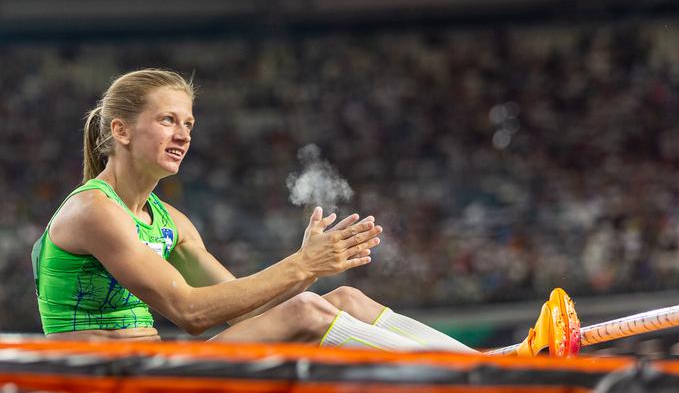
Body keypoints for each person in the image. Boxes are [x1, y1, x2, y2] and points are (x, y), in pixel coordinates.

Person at [31, 68, 481, 352]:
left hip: (154, 368)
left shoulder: (170, 222)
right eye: (168, 120)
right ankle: (479, 382)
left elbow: (242, 309)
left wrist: (309, 271)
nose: (184, 134)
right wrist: (299, 265)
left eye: (189, 123)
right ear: (121, 130)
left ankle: (487, 365)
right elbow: (190, 313)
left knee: (345, 300)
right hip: (97, 379)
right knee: (307, 312)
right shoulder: (94, 210)